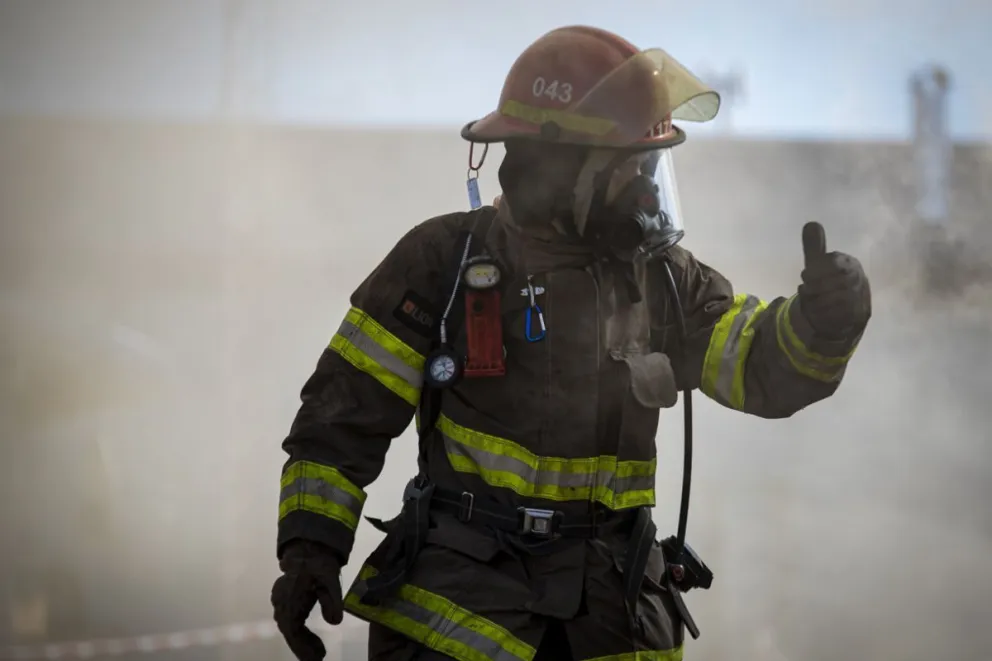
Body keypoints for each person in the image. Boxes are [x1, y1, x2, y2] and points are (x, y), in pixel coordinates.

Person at [271, 25, 871, 661]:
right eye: (631, 169)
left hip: (614, 621)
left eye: (651, 169)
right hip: (453, 622)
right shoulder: (441, 262)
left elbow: (760, 367)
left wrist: (821, 323)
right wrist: (310, 549)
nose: (645, 193)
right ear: (558, 170)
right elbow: (340, 419)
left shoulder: (665, 278)